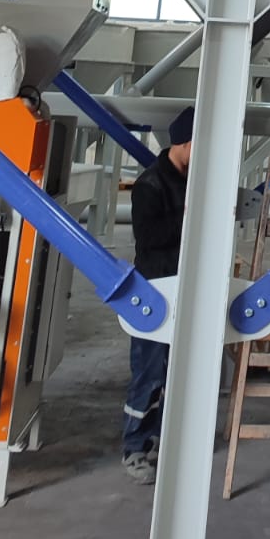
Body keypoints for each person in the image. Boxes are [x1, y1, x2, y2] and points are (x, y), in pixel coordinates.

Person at [121, 104, 194, 483]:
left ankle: (169, 440)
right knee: (149, 374)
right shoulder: (150, 185)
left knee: (179, 372)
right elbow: (148, 237)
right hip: (155, 291)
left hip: (186, 287)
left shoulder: (190, 180)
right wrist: (192, 217)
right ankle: (135, 449)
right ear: (184, 143)